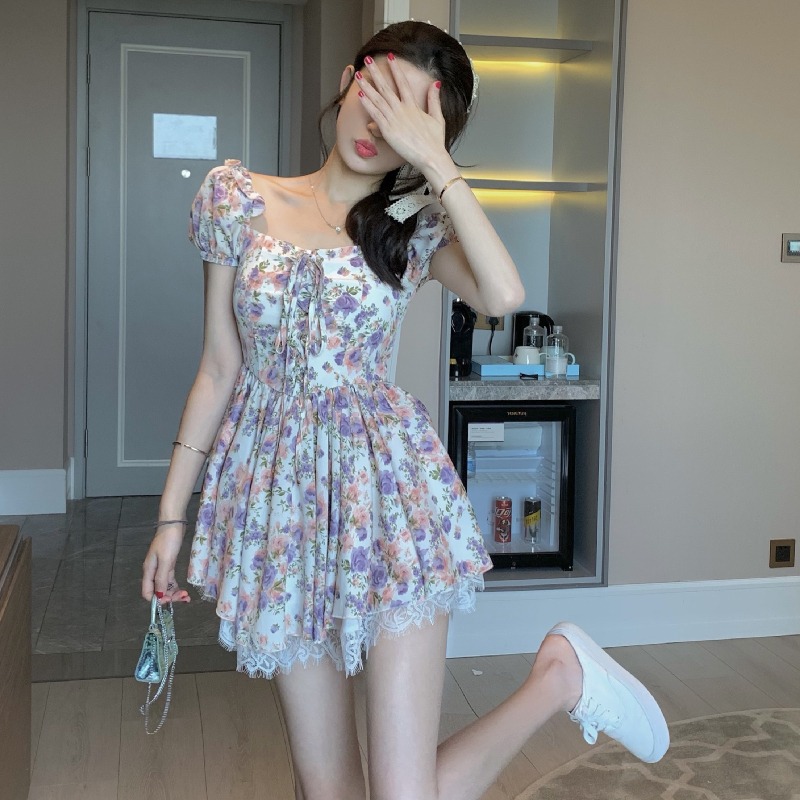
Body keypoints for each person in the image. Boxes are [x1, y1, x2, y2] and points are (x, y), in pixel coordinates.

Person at [141, 20, 669, 800]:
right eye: (379, 96)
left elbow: (503, 294)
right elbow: (219, 369)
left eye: (410, 122)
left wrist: (437, 164)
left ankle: (558, 678)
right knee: (328, 787)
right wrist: (170, 518)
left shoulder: (414, 230)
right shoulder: (236, 199)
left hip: (387, 503)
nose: (378, 128)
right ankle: (563, 675)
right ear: (351, 78)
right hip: (278, 512)